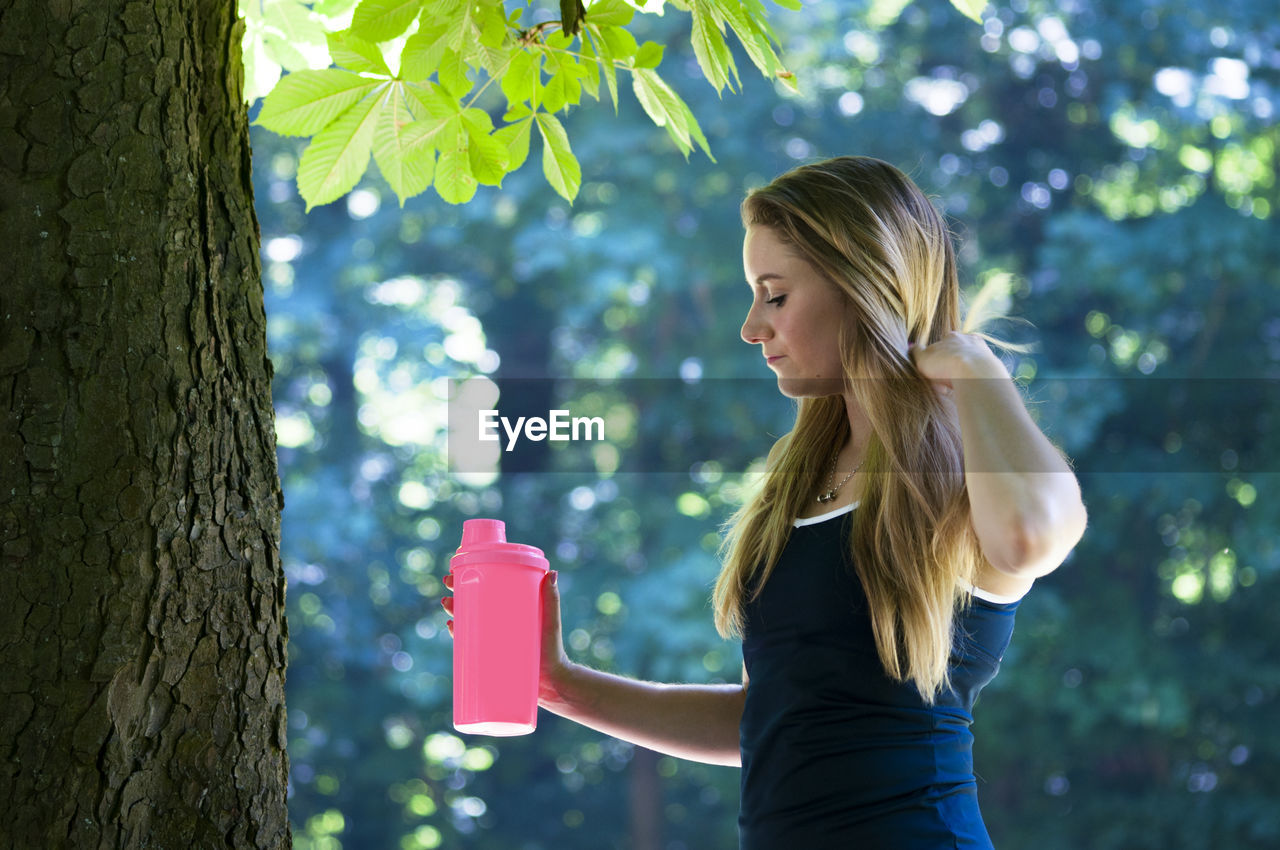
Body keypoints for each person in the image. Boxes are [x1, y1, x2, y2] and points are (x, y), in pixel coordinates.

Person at [442, 155, 1088, 847]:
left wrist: (972, 365)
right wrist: (557, 684)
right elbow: (765, 717)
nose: (753, 328)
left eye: (775, 295)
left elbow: (1029, 538)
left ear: (866, 284)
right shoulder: (796, 486)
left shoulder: (967, 477)